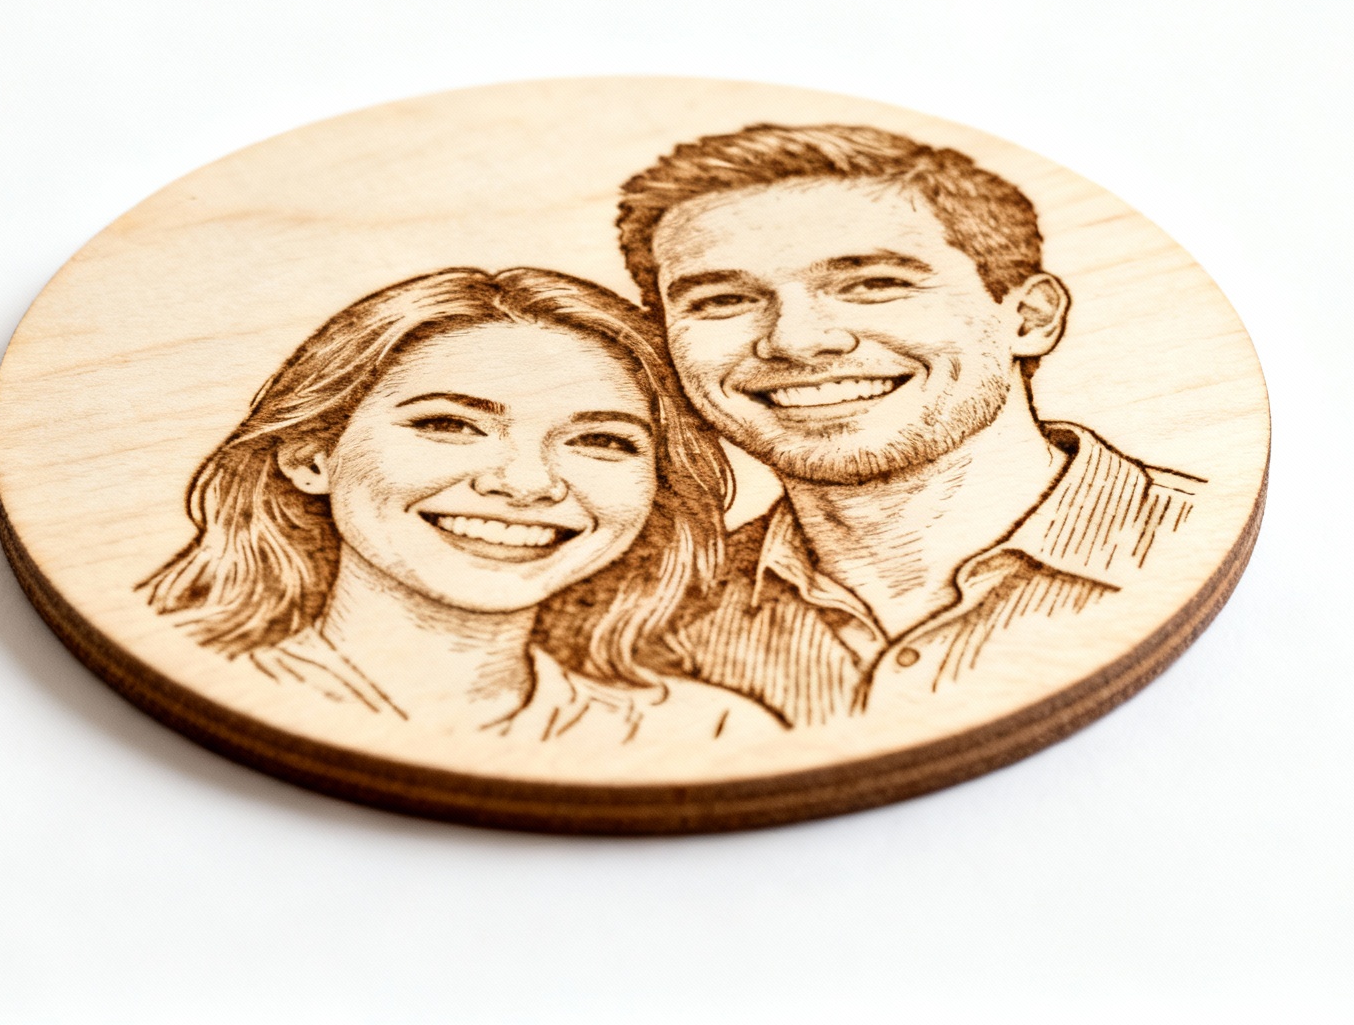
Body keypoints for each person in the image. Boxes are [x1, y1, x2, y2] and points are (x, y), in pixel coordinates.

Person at [613, 124, 1203, 726]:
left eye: (873, 285)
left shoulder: (1189, 539)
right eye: (721, 300)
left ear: (1029, 317)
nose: (798, 340)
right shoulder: (643, 624)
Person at [140, 267, 782, 743]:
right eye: (449, 425)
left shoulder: (710, 731)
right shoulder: (196, 685)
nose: (528, 485)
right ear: (313, 458)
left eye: (600, 440)